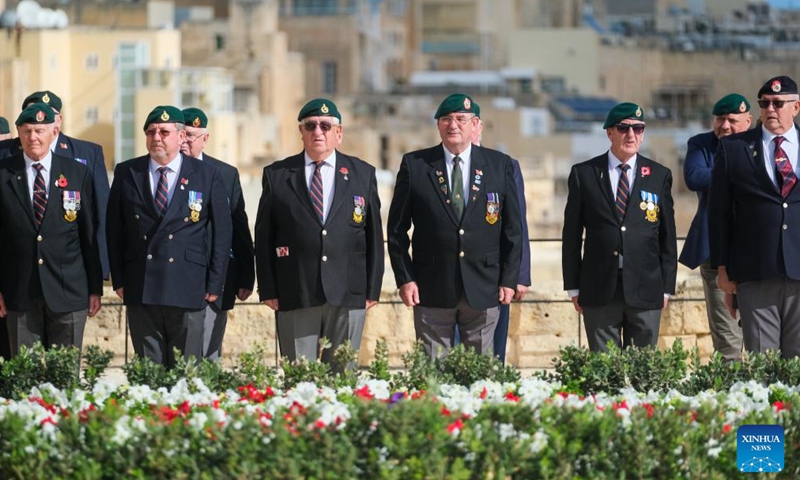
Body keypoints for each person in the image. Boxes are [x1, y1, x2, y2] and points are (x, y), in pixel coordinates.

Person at [387, 93, 522, 357]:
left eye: (461, 119)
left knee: (481, 376)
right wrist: (406, 278)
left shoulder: (499, 165)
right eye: (446, 119)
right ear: (438, 125)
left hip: (484, 288)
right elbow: (396, 231)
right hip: (432, 288)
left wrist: (509, 279)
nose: (453, 125)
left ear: (475, 125)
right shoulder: (416, 166)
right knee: (434, 375)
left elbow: (513, 230)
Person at [254, 98, 384, 366]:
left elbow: (373, 236)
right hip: (296, 290)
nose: (318, 132)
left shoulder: (363, 173)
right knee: (300, 378)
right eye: (310, 126)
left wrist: (372, 289)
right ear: (301, 132)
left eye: (326, 126)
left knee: (343, 377)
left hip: (349, 292)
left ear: (339, 133)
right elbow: (264, 237)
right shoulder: (277, 175)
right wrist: (268, 288)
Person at [106, 106, 232, 368]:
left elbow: (222, 233)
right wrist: (119, 279)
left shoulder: (206, 175)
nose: (157, 138)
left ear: (181, 136)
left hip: (188, 285)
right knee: (149, 372)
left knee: (186, 372)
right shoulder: (128, 172)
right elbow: (114, 231)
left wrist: (215, 282)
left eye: (164, 132)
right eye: (151, 132)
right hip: (142, 285)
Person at [562, 102, 677, 351]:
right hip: (599, 287)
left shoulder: (659, 175)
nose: (631, 135)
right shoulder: (585, 174)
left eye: (638, 128)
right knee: (604, 369)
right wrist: (573, 285)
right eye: (623, 128)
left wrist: (667, 288)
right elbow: (571, 235)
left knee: (643, 370)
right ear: (609, 133)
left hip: (646, 288)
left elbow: (667, 237)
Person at [0, 103, 103, 355]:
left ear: (53, 133)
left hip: (69, 290)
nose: (32, 137)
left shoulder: (77, 173)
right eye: (26, 131)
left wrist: (95, 288)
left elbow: (89, 234)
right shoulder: (3, 174)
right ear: (18, 134)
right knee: (24, 378)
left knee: (65, 377)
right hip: (19, 291)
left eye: (39, 130)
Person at [709, 75, 800, 359]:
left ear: (795, 107)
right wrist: (723, 271)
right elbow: (720, 213)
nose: (771, 109)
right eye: (764, 103)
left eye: (778, 103)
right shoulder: (734, 148)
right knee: (764, 364)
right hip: (755, 273)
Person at [0, 91, 111, 280]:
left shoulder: (86, 153)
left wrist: (99, 272)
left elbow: (99, 215)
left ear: (57, 122)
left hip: (68, 271)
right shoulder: (6, 153)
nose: (37, 122)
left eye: (47, 114)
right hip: (19, 273)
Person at [680, 94, 752, 361]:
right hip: (715, 252)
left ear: (747, 121)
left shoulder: (760, 143)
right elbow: (694, 177)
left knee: (764, 337)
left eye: (733, 120)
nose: (725, 126)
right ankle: (732, 396)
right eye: (720, 119)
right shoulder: (701, 144)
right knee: (727, 341)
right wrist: (739, 171)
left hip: (758, 252)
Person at [180, 107, 255, 361]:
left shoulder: (225, 174)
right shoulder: (163, 171)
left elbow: (239, 228)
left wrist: (246, 276)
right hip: (176, 277)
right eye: (183, 134)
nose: (186, 141)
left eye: (192, 135)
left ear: (205, 139)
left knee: (208, 355)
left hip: (215, 279)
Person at [470, 111, 531, 364]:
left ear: (479, 127)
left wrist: (519, 275)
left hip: (493, 277)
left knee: (491, 355)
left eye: (469, 122)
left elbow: (517, 224)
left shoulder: (504, 165)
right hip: (449, 281)